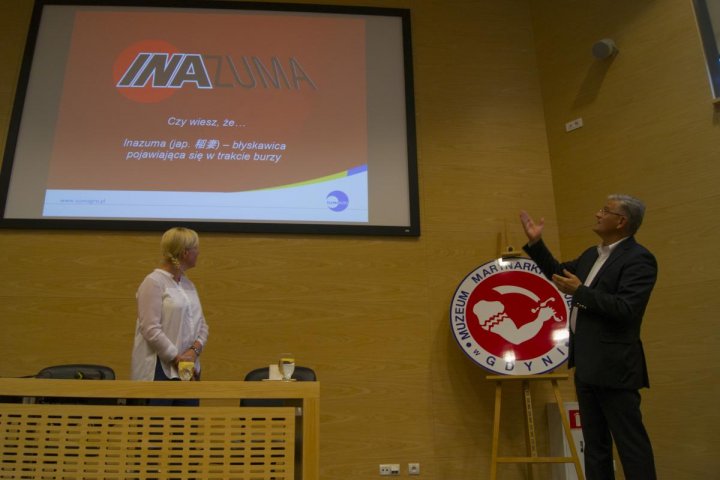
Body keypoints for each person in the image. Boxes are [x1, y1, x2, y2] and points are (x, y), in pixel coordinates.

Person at [519, 194, 657, 480]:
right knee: (594, 446)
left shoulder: (639, 259)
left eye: (605, 211)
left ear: (621, 221)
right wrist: (536, 243)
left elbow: (627, 309)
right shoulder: (592, 255)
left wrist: (581, 292)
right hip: (586, 364)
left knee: (630, 444)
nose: (597, 214)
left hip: (616, 366)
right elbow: (558, 273)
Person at [131, 227, 209, 406]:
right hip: (159, 370)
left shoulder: (188, 285)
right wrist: (176, 358)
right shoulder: (153, 282)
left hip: (188, 370)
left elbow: (203, 326)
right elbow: (150, 328)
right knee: (157, 423)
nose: (198, 252)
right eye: (196, 248)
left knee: (186, 423)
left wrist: (194, 351)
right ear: (185, 252)